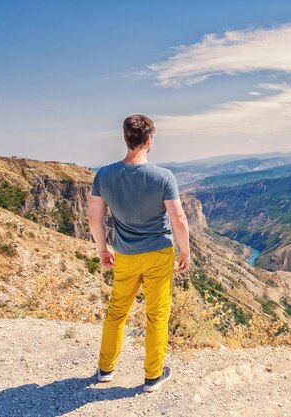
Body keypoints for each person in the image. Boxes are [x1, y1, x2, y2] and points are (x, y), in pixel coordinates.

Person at [87, 114, 190, 393]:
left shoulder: (104, 175)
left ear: (125, 138)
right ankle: (153, 376)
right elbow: (178, 219)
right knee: (157, 315)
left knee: (117, 312)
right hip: (158, 253)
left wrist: (102, 249)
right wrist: (185, 252)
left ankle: (106, 369)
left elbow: (93, 217)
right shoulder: (163, 177)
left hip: (126, 255)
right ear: (149, 139)